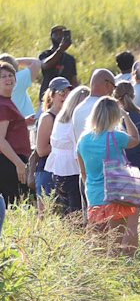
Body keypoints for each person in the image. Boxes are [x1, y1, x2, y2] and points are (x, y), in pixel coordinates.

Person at [77, 92, 140, 254]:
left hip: (93, 195)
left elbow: (83, 173)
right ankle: (119, 274)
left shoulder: (83, 140)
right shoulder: (116, 137)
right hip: (115, 195)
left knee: (99, 246)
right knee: (116, 244)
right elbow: (135, 138)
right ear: (114, 116)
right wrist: (126, 116)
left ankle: (101, 277)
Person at [0, 62, 33, 225]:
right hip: (10, 163)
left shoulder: (7, 101)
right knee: (14, 208)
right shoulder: (3, 104)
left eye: (10, 75)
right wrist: (19, 164)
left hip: (12, 161)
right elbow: (0, 140)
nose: (8, 78)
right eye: (3, 76)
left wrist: (22, 123)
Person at [46, 86, 86, 217]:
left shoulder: (60, 118)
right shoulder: (74, 121)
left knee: (67, 212)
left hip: (59, 169)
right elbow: (78, 150)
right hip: (72, 170)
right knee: (77, 212)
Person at [32, 83, 67, 216]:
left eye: (68, 92)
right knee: (45, 217)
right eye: (62, 93)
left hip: (62, 171)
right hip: (46, 172)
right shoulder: (47, 117)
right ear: (52, 95)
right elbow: (41, 150)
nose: (66, 96)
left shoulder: (67, 116)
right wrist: (63, 146)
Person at [72, 68, 117, 142]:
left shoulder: (78, 109)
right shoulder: (106, 107)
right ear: (107, 85)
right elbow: (115, 137)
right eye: (114, 87)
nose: (113, 91)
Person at [39, 27, 79, 94]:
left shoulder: (70, 59)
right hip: (48, 96)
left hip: (65, 96)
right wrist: (60, 50)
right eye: (56, 34)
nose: (59, 36)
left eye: (61, 34)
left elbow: (74, 81)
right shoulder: (45, 54)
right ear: (50, 37)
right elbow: (45, 65)